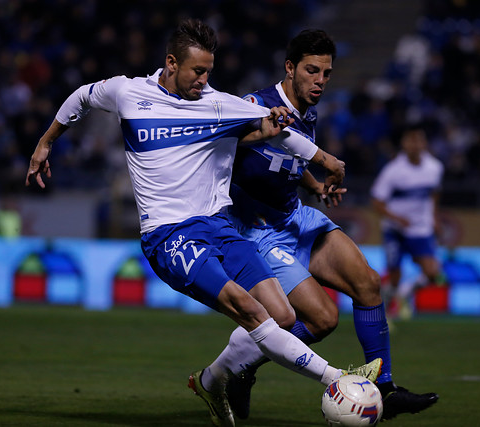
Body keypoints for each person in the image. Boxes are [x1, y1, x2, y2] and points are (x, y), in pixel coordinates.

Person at [25, 19, 381, 427]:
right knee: (248, 309)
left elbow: (276, 130)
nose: (204, 80)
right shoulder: (129, 92)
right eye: (198, 71)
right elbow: (82, 97)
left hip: (222, 227)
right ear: (172, 63)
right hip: (169, 235)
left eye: (209, 71)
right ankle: (337, 380)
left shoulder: (218, 102)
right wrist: (46, 141)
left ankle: (211, 382)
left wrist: (324, 161)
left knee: (282, 316)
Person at [198, 29, 438, 422]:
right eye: (312, 71)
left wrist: (314, 185)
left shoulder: (308, 107)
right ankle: (238, 370)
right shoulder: (256, 104)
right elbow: (231, 140)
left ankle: (386, 389)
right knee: (323, 319)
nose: (320, 81)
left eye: (326, 73)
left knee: (368, 282)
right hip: (255, 229)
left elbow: (283, 157)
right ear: (290, 68)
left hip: (295, 215)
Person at [370, 122, 445, 319]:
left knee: (432, 273)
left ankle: (404, 294)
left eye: (419, 139)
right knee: (394, 277)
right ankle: (385, 310)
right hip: (394, 229)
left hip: (420, 227)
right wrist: (397, 218)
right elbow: (377, 202)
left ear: (425, 143)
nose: (416, 144)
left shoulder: (435, 168)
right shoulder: (393, 170)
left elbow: (434, 194)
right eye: (411, 140)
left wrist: (434, 218)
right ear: (404, 143)